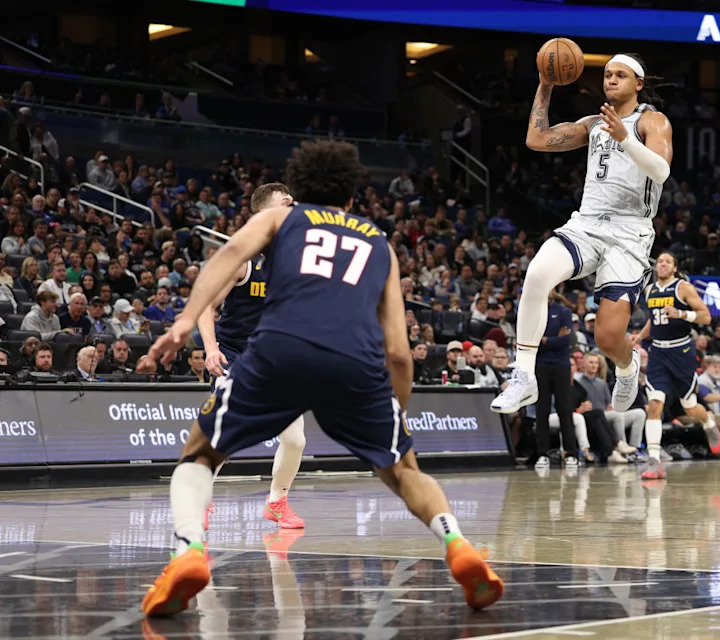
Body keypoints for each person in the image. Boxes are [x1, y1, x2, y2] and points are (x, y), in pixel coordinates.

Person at [138, 140, 502, 617]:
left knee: (200, 453)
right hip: (355, 362)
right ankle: (457, 543)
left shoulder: (282, 219)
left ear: (299, 190)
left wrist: (185, 321)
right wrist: (394, 414)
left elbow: (229, 251)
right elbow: (398, 351)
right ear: (351, 195)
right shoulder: (379, 243)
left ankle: (188, 550)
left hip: (280, 350)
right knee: (404, 471)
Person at [491, 53, 672, 418]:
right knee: (537, 273)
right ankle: (524, 376)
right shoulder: (593, 124)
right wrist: (545, 87)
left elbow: (661, 171)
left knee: (607, 338)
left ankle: (627, 367)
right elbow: (536, 139)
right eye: (607, 74)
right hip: (587, 223)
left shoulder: (652, 120)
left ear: (638, 83)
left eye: (620, 75)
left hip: (630, 232)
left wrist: (626, 139)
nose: (611, 80)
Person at [196, 183, 308, 530]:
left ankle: (277, 502)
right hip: (235, 356)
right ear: (264, 213)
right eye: (286, 202)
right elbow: (205, 307)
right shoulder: (243, 257)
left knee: (296, 440)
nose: (293, 206)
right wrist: (211, 348)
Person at [633, 252, 720, 479]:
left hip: (681, 351)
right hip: (658, 353)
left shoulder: (683, 288)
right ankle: (654, 461)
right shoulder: (649, 290)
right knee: (654, 404)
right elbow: (654, 319)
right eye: (660, 261)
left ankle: (709, 423)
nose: (662, 264)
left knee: (690, 407)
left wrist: (681, 313)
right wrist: (640, 336)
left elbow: (705, 316)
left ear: (674, 268)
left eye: (667, 261)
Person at [531, 290, 577, 468]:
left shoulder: (564, 312)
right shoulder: (534, 311)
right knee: (541, 410)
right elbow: (531, 340)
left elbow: (565, 342)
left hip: (561, 366)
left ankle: (571, 454)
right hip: (540, 365)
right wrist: (551, 339)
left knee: (565, 409)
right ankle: (542, 454)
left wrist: (544, 340)